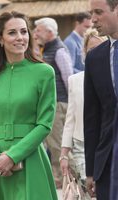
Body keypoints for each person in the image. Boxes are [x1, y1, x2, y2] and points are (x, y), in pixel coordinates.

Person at [0, 11, 58, 200]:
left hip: (31, 159)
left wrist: (12, 157)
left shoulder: (44, 73)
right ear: (0, 39)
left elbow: (45, 124)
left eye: (24, 32)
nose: (20, 37)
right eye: (12, 33)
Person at [60, 29, 107, 197]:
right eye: (90, 49)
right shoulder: (75, 80)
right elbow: (70, 119)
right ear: (85, 52)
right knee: (89, 192)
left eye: (100, 47)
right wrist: (64, 155)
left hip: (107, 145)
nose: (95, 53)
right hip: (81, 147)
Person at [84, 0, 118, 199]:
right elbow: (91, 117)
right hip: (107, 164)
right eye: (91, 13)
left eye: (98, 12)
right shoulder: (94, 58)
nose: (93, 19)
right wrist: (91, 170)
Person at [34, 17, 73, 188]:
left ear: (50, 32)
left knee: (57, 144)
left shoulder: (58, 50)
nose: (36, 34)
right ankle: (60, 178)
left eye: (39, 31)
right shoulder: (46, 49)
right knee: (53, 143)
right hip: (53, 103)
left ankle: (65, 180)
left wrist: (69, 104)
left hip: (59, 103)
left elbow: (68, 78)